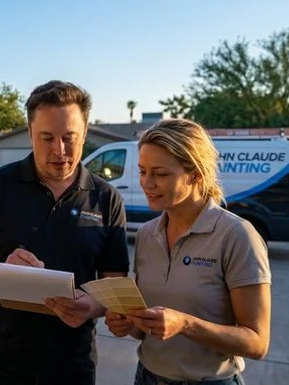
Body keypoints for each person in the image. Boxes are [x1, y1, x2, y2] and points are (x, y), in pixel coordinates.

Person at [0, 80, 130, 385]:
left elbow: (115, 286)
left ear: (85, 133)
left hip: (72, 364)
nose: (59, 151)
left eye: (69, 138)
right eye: (47, 137)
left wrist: (91, 306)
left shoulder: (106, 198)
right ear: (30, 132)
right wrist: (3, 271)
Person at [104, 118, 271, 385]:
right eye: (143, 171)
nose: (147, 183)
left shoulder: (236, 235)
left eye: (160, 173)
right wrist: (129, 324)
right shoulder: (147, 234)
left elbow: (257, 343)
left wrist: (185, 324)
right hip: (147, 376)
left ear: (195, 174)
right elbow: (146, 327)